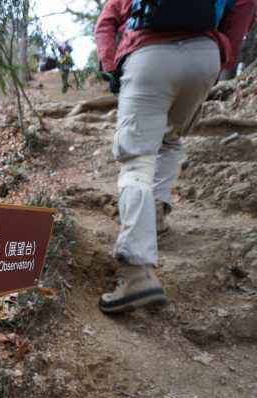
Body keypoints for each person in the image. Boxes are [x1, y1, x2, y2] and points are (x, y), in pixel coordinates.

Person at [94, 0, 257, 314]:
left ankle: (137, 272)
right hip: (204, 57)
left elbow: (107, 20)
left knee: (137, 160)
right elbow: (244, 7)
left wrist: (111, 65)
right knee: (170, 140)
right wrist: (225, 55)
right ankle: (155, 215)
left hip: (149, 56)